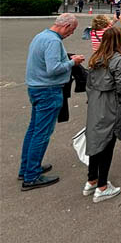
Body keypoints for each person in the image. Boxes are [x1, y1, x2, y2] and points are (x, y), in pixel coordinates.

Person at [20, 14, 84, 191]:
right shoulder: (54, 42)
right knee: (41, 133)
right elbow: (53, 69)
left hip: (36, 88)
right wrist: (73, 62)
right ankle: (31, 176)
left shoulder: (41, 36)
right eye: (71, 30)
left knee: (33, 130)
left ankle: (26, 168)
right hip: (48, 90)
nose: (71, 34)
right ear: (66, 26)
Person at [84, 27, 121, 203]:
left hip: (96, 104)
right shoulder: (118, 59)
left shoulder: (96, 57)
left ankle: (91, 180)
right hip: (112, 106)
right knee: (107, 145)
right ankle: (102, 187)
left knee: (96, 141)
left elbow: (89, 83)